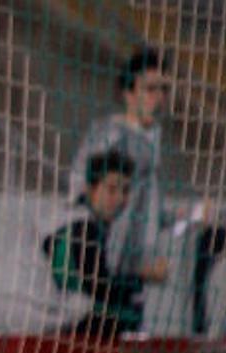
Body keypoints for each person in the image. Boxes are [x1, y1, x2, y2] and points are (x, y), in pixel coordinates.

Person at [65, 48, 177, 329]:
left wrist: (191, 215)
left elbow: (155, 211)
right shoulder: (110, 137)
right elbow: (80, 196)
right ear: (128, 94)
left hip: (133, 282)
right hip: (103, 283)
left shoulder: (152, 142)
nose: (159, 97)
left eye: (164, 89)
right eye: (150, 89)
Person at [45, 150, 168, 338]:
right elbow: (99, 288)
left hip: (44, 322)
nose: (119, 199)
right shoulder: (80, 226)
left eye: (125, 191)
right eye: (111, 189)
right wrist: (142, 277)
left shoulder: (80, 221)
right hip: (29, 326)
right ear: (90, 189)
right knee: (124, 315)